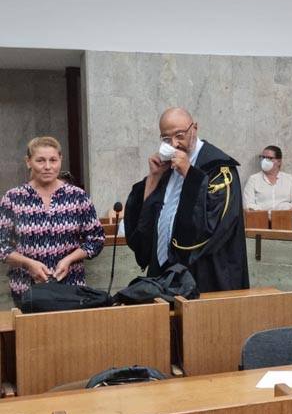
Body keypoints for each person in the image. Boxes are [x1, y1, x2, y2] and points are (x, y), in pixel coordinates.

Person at [124, 107, 249, 292]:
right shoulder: (166, 168)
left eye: (180, 136)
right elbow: (145, 220)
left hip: (205, 274)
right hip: (164, 276)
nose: (174, 144)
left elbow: (215, 226)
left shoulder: (220, 170)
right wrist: (154, 177)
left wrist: (189, 174)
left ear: (194, 128)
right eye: (166, 139)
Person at [0, 137, 104, 307]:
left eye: (53, 160)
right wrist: (28, 264)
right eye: (40, 160)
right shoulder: (13, 198)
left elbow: (96, 240)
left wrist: (69, 259)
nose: (47, 166)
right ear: (28, 162)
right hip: (27, 290)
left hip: (70, 289)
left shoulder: (77, 196)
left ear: (60, 160)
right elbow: (2, 246)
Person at [242, 145, 292, 230]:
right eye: (263, 157)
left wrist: (284, 216)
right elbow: (248, 204)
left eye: (269, 158)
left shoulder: (288, 178)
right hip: (262, 219)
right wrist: (268, 217)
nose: (264, 161)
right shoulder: (253, 179)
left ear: (279, 161)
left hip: (286, 218)